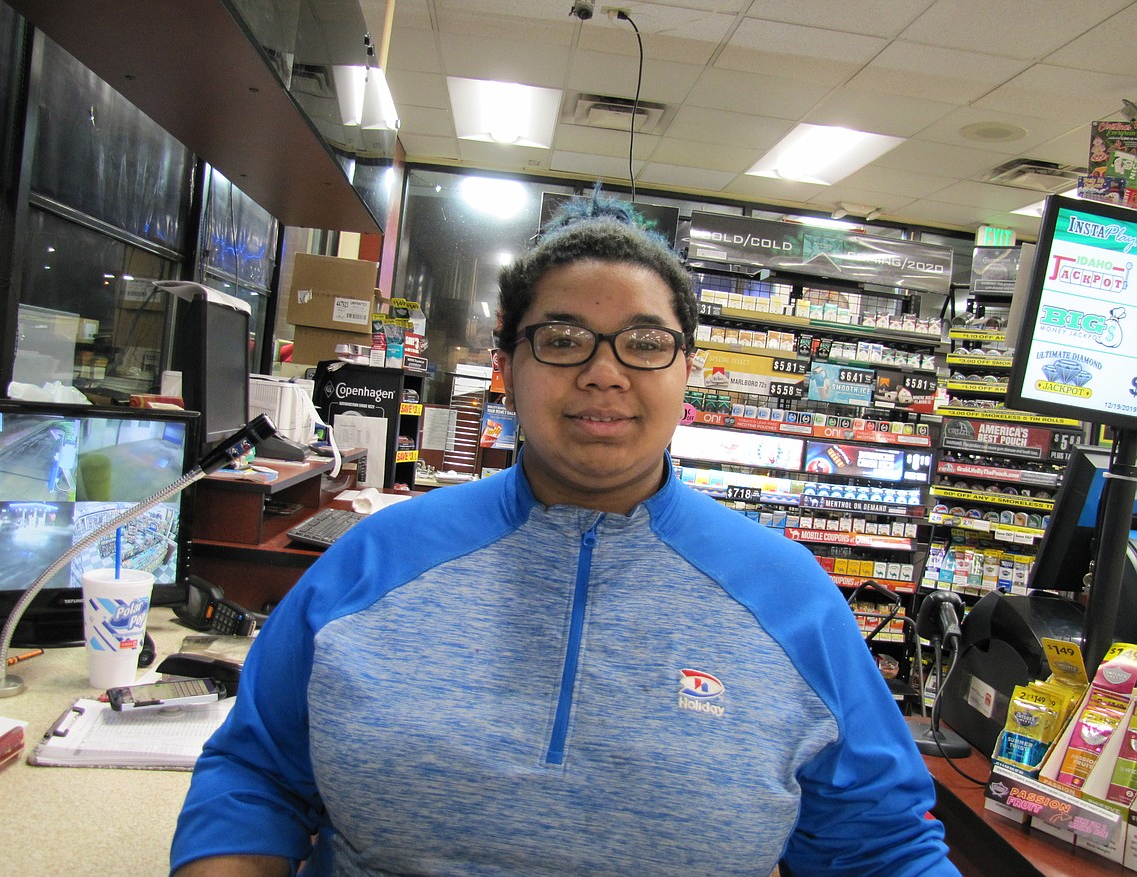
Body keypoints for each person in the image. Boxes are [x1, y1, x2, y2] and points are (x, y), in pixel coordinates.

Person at [171, 192, 960, 876]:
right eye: (562, 338)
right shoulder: (378, 556)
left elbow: (880, 845)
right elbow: (256, 775)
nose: (604, 372)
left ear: (689, 374)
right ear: (507, 367)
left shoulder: (790, 598)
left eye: (646, 343)